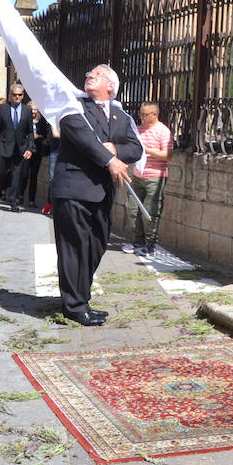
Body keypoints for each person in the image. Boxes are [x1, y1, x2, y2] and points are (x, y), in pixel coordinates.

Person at [51, 64, 142, 326]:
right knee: (73, 248)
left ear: (111, 86)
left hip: (101, 193)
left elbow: (135, 147)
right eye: (89, 73)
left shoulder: (121, 116)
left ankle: (82, 298)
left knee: (95, 246)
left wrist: (115, 148)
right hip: (73, 188)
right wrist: (110, 160)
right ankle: (74, 306)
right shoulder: (75, 105)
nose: (89, 76)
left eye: (97, 75)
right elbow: (81, 137)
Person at [125, 102, 173, 257]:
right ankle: (138, 241)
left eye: (145, 114)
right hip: (138, 174)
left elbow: (167, 155)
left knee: (152, 210)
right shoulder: (138, 130)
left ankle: (150, 244)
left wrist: (148, 151)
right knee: (132, 209)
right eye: (141, 114)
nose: (142, 117)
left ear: (154, 114)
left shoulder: (163, 131)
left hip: (155, 176)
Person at [0, 82, 34, 212]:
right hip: (4, 147)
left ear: (23, 96)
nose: (17, 97)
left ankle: (14, 202)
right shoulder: (2, 108)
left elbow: (30, 132)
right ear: (10, 95)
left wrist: (30, 148)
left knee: (17, 176)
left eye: (19, 95)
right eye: (14, 95)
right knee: (1, 174)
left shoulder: (27, 110)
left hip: (20, 148)